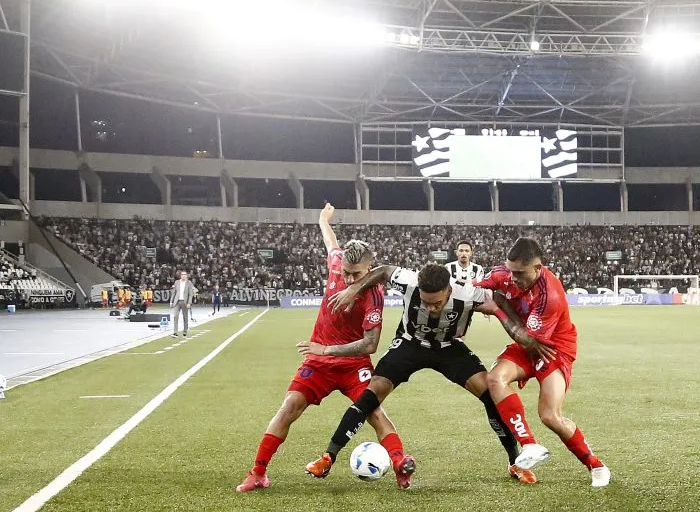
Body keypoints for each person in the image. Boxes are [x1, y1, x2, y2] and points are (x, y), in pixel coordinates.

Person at [306, 263, 547, 485]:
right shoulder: (409, 281)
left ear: (449, 291)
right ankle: (328, 457)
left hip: (449, 348)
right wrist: (354, 289)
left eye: (437, 303)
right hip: (410, 344)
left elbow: (500, 303)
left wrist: (522, 335)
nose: (430, 308)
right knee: (370, 395)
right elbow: (383, 271)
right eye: (425, 302)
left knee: (490, 396)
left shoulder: (468, 293)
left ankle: (515, 463)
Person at [236, 203, 412, 492]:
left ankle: (399, 464)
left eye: (357, 274)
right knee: (289, 407)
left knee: (375, 412)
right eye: (346, 273)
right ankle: (258, 473)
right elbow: (331, 244)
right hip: (318, 365)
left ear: (370, 269)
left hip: (353, 364)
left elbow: (370, 345)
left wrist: (326, 349)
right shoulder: (336, 262)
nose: (350, 279)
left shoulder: (374, 295)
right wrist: (323, 220)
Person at [476, 237, 611, 488]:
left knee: (550, 415)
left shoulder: (551, 295)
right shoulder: (503, 274)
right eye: (510, 270)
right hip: (528, 341)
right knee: (494, 378)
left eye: (519, 273)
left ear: (537, 268)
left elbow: (529, 340)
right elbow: (470, 288)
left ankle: (596, 465)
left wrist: (498, 307)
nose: (513, 278)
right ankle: (529, 444)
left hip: (553, 348)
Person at [169, 271, 195, 338]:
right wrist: (171, 302)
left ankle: (185, 332)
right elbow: (174, 292)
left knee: (185, 317)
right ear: (180, 276)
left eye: (184, 274)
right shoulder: (177, 282)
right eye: (182, 274)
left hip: (185, 302)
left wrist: (189, 303)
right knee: (175, 316)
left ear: (186, 276)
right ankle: (175, 332)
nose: (183, 276)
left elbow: (190, 294)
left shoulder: (189, 283)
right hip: (177, 301)